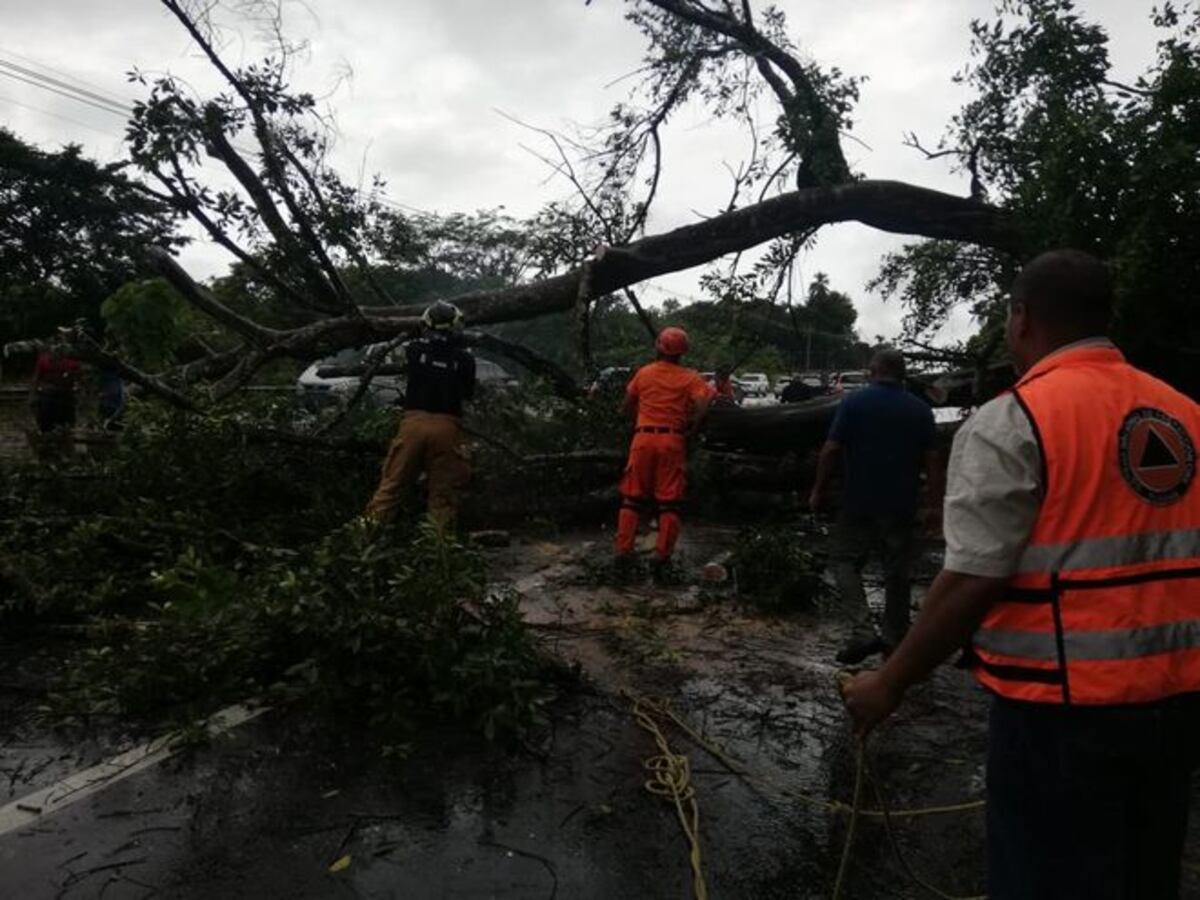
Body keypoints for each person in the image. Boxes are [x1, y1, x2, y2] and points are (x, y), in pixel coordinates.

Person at [842, 250, 1200, 900]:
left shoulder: (1015, 420)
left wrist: (889, 682)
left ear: (1021, 317)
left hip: (1059, 717)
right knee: (1146, 878)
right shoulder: (1184, 413)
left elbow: (974, 578)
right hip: (1175, 704)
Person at [810, 348, 940, 664]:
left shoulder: (854, 402)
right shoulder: (921, 410)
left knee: (844, 561)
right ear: (902, 373)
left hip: (858, 500)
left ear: (874, 371)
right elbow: (934, 461)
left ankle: (862, 630)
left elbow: (831, 450)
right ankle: (895, 642)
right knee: (897, 571)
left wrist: (818, 490)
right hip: (901, 503)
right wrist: (936, 505)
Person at [365, 301, 476, 530]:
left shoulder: (415, 351)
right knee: (443, 495)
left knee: (390, 488)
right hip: (447, 425)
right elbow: (467, 394)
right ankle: (439, 551)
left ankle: (362, 538)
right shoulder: (465, 359)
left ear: (425, 325)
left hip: (413, 424)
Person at [615, 327, 712, 579]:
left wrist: (637, 420)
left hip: (643, 438)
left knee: (632, 499)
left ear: (659, 347)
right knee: (669, 502)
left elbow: (625, 407)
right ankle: (662, 556)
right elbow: (703, 403)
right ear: (683, 352)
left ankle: (624, 552)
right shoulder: (690, 378)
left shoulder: (644, 373)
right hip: (672, 440)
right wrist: (692, 427)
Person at [30, 349, 81, 433]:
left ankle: (64, 430)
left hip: (65, 393)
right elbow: (36, 378)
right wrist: (34, 393)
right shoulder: (44, 361)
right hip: (48, 393)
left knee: (66, 417)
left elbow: (78, 378)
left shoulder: (72, 363)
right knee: (45, 417)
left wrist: (76, 385)